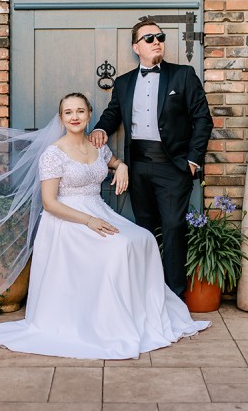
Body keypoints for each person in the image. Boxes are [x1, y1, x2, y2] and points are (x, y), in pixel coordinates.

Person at [0, 93, 209, 359]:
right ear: (61, 118)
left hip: (98, 209)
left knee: (144, 238)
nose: (75, 117)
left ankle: (142, 315)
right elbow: (49, 203)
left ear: (89, 114)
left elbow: (111, 161)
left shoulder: (97, 146)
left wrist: (121, 166)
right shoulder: (53, 154)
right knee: (119, 247)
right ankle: (109, 323)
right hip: (67, 219)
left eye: (80, 111)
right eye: (68, 112)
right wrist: (88, 221)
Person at [90, 20, 213, 299]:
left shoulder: (183, 75)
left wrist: (193, 161)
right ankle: (146, 295)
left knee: (173, 229)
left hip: (173, 167)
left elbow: (202, 119)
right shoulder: (123, 83)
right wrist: (99, 129)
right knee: (145, 230)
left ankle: (174, 298)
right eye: (149, 38)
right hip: (138, 167)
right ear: (136, 47)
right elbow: (113, 114)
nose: (156, 41)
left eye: (160, 36)